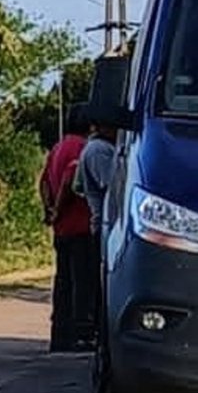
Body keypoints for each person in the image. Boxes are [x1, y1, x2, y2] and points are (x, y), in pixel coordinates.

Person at [40, 104, 93, 352]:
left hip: (62, 229)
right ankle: (80, 334)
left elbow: (43, 182)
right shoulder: (82, 148)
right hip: (79, 225)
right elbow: (69, 179)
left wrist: (48, 209)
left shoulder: (58, 148)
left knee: (62, 282)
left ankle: (59, 334)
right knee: (82, 282)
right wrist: (59, 209)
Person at [73, 117, 118, 349]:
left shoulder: (90, 148)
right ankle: (94, 330)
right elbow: (111, 185)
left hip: (98, 223)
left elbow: (77, 186)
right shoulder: (100, 150)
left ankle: (91, 329)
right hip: (105, 225)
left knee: (94, 283)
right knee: (100, 285)